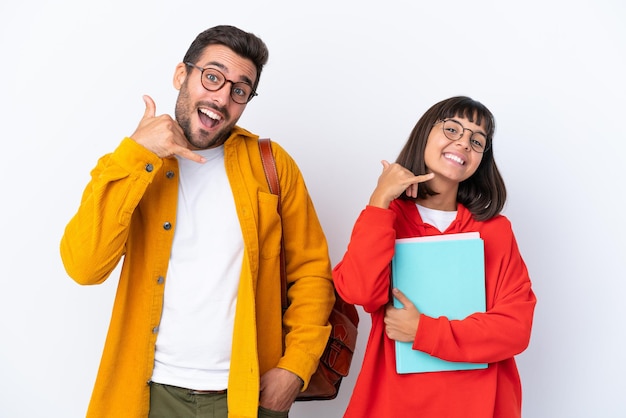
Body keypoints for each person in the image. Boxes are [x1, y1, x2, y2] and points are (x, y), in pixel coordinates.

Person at [60, 25, 335, 418]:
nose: (222, 97)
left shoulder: (271, 166)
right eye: (212, 77)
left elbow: (311, 274)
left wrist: (296, 366)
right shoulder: (133, 164)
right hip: (147, 394)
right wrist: (136, 154)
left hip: (246, 395)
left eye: (239, 90)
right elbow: (84, 266)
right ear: (181, 75)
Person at [332, 96, 536, 418]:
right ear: (425, 133)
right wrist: (380, 199)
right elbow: (358, 291)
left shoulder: (495, 231)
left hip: (479, 403)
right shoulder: (385, 217)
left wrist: (423, 331)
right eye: (452, 129)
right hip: (394, 402)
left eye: (476, 141)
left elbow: (514, 328)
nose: (464, 143)